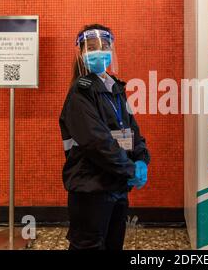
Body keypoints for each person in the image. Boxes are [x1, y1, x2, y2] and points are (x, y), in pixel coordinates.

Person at [59, 24, 150, 250]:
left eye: (105, 46)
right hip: (91, 188)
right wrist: (129, 170)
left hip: (117, 185)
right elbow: (96, 142)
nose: (99, 51)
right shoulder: (80, 95)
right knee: (89, 245)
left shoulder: (116, 88)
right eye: (91, 47)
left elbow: (132, 130)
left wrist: (141, 159)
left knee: (113, 243)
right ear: (81, 54)